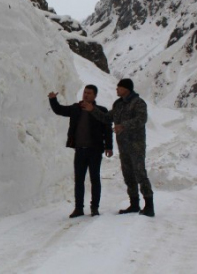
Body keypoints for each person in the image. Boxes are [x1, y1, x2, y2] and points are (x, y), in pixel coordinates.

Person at [81, 78, 155, 217]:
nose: (116, 89)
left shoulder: (138, 103)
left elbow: (141, 119)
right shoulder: (118, 104)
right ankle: (134, 204)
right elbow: (107, 118)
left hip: (136, 144)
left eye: (119, 87)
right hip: (123, 145)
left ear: (126, 89)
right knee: (128, 174)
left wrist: (124, 125)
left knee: (140, 173)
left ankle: (149, 205)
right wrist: (93, 110)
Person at [48, 85, 113, 218]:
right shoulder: (75, 108)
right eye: (85, 92)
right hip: (80, 150)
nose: (86, 95)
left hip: (95, 150)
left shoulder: (101, 110)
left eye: (89, 93)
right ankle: (79, 208)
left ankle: (94, 207)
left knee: (95, 179)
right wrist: (53, 100)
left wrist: (109, 146)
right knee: (79, 180)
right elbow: (59, 110)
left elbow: (107, 129)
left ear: (95, 96)